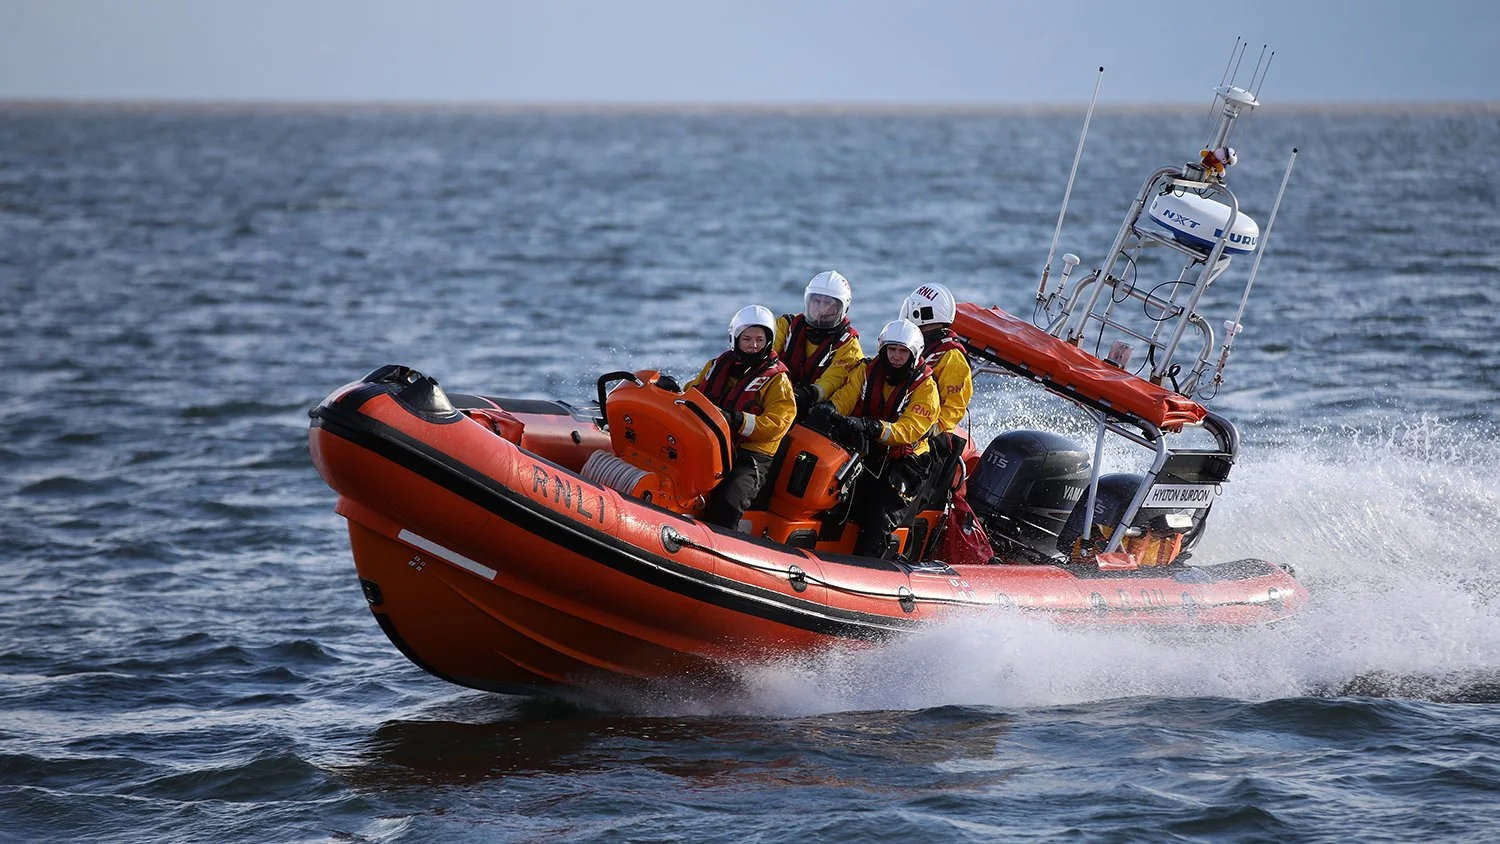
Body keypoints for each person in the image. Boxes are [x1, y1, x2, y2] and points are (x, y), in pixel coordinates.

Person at [820, 318, 940, 558]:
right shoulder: (867, 370)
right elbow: (847, 396)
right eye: (891, 350)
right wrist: (829, 409)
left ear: (913, 354)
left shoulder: (926, 389)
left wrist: (872, 427)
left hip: (906, 462)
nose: (895, 356)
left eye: (902, 352)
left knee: (879, 517)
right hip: (868, 453)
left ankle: (870, 567)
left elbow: (908, 430)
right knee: (834, 497)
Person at [685, 305, 797, 530]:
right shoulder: (717, 366)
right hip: (713, 441)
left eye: (759, 339)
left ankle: (721, 547)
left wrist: (736, 420)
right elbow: (695, 393)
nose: (753, 345)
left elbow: (777, 424)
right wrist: (674, 392)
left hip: (751, 456)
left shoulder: (777, 380)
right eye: (746, 339)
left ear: (769, 341)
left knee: (730, 499)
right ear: (735, 338)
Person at [774, 270, 864, 416]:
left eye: (828, 304)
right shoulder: (786, 325)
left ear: (842, 308)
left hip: (811, 410)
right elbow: (767, 357)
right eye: (816, 301)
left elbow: (831, 382)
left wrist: (806, 394)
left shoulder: (849, 347)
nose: (821, 309)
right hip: (776, 395)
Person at [899, 282, 973, 450]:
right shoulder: (917, 344)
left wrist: (929, 431)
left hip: (924, 433)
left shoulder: (951, 356)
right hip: (902, 417)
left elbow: (954, 406)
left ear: (922, 313)